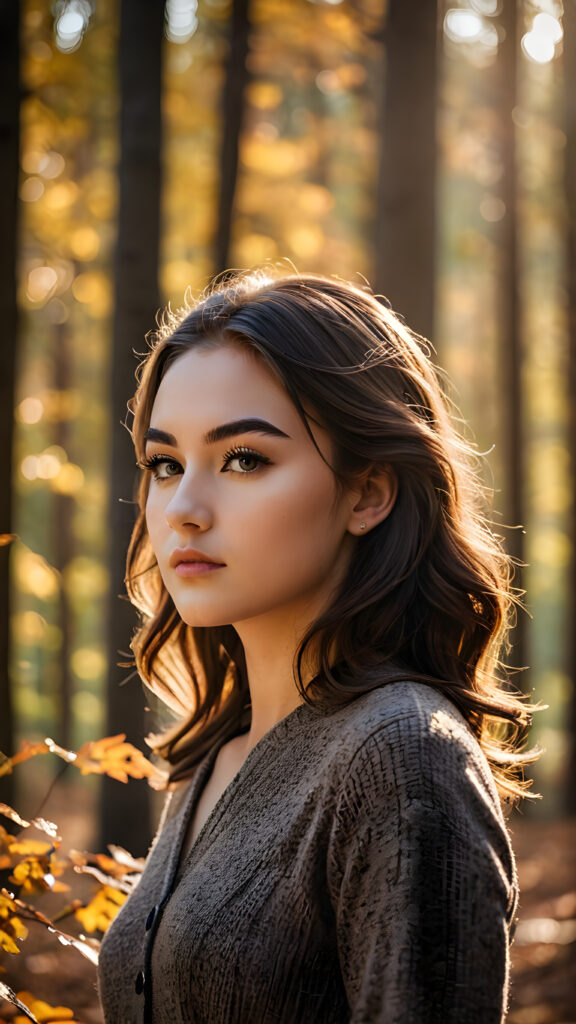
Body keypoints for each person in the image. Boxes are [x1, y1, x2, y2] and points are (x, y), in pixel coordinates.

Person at [97, 270, 534, 1024]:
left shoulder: (402, 754)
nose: (184, 512)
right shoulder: (215, 756)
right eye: (165, 465)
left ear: (367, 493)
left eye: (243, 459)